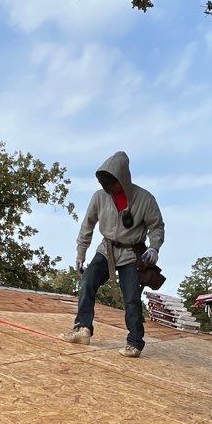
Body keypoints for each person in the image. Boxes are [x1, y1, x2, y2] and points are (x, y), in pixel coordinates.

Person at [64, 151, 164, 358]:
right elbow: (87, 225)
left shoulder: (145, 199)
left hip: (131, 253)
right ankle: (83, 329)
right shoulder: (99, 197)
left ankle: (135, 343)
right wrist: (81, 253)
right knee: (87, 281)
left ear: (123, 178)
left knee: (132, 297)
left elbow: (156, 226)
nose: (110, 187)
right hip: (106, 250)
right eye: (106, 184)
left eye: (113, 183)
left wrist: (154, 247)